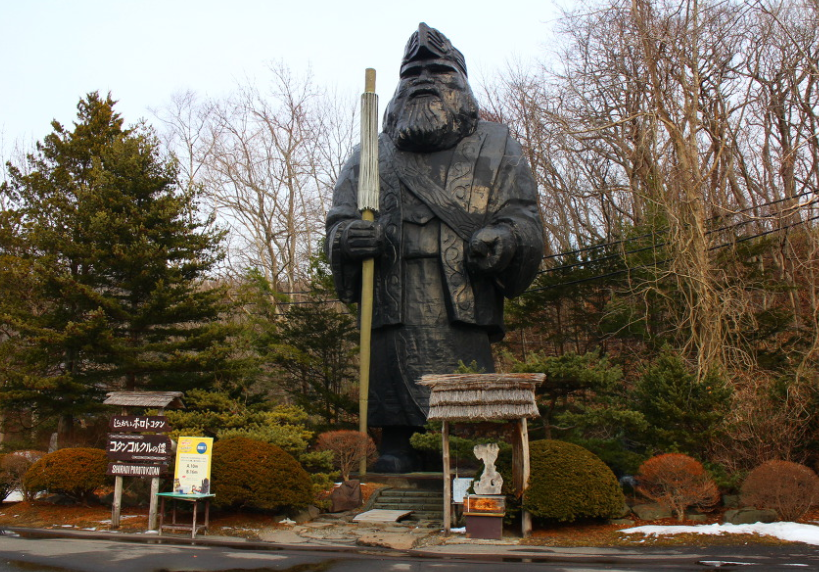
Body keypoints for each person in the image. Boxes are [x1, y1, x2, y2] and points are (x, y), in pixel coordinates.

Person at [326, 23, 543, 472]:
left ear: (462, 83)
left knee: (460, 375)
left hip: (461, 290)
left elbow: (523, 215)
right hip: (394, 288)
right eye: (412, 72)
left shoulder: (497, 144)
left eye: (439, 70)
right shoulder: (370, 153)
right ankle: (396, 445)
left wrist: (505, 239)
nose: (424, 78)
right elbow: (340, 219)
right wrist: (348, 238)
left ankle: (464, 447)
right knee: (391, 368)